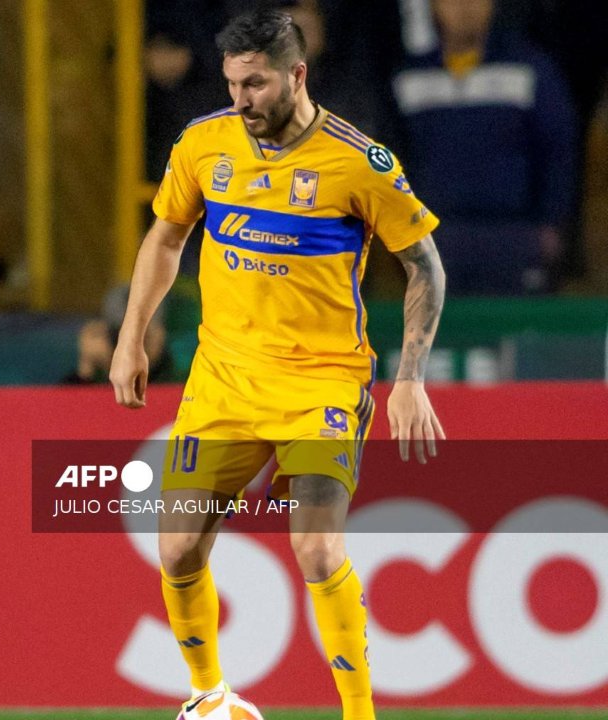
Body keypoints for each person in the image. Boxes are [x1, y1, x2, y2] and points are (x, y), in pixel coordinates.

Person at [109, 10, 446, 720]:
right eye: (233, 84)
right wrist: (130, 336)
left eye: (256, 84)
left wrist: (410, 377)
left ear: (296, 74)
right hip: (225, 378)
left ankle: (360, 715)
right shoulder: (205, 145)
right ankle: (212, 699)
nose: (242, 100)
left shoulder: (359, 161)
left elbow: (424, 267)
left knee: (317, 549)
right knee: (175, 551)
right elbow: (166, 238)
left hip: (322, 379)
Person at [391, 0, 577, 293]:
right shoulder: (407, 78)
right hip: (434, 241)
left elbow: (558, 152)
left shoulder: (529, 69)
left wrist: (551, 226)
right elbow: (395, 159)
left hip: (515, 239)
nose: (465, 8)